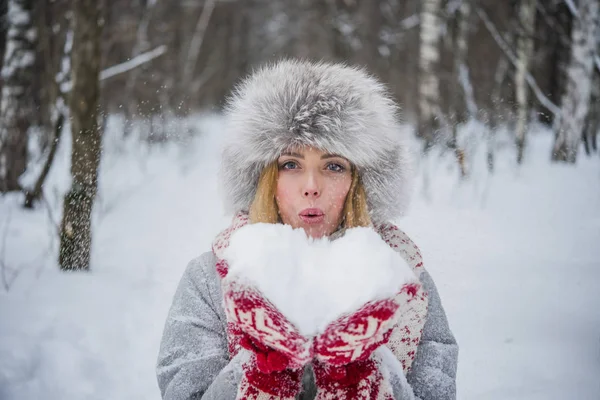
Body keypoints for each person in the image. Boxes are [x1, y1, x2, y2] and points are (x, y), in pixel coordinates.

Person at [156, 59, 458, 400]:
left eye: (333, 165)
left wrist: (366, 367)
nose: (312, 186)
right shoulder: (211, 278)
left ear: (358, 183)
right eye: (290, 164)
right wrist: (262, 364)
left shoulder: (405, 282)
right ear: (264, 180)